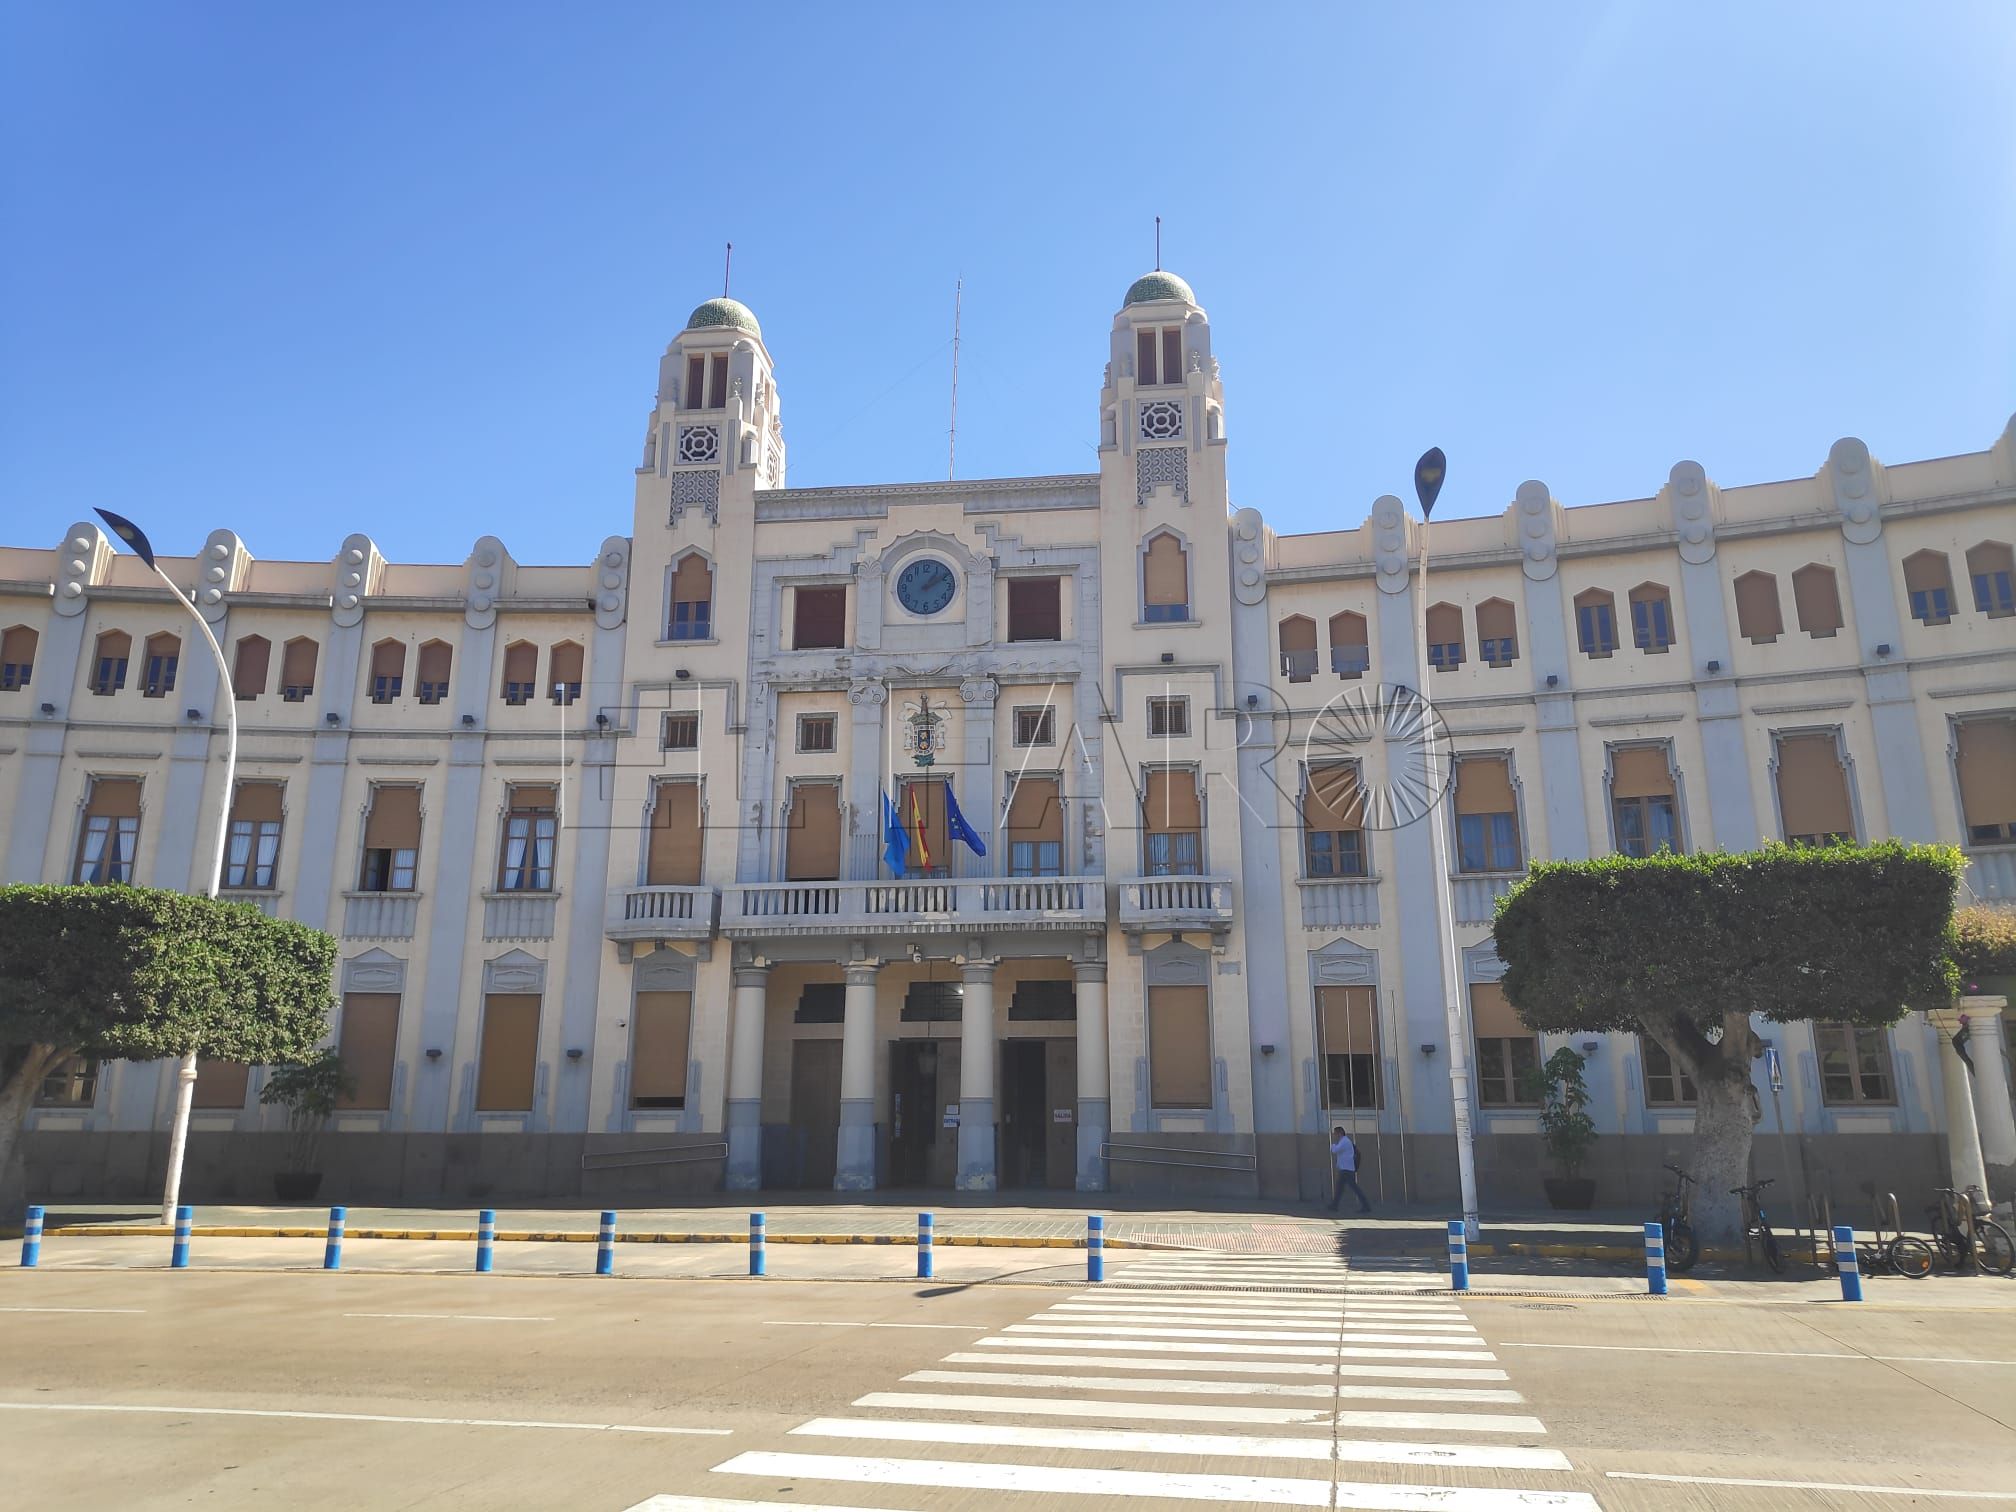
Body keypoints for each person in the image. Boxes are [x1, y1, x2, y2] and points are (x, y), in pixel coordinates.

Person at [1328, 1126, 1371, 1214]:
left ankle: (1366, 1206)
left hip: (1346, 1169)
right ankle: (1334, 1205)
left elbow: (1335, 1150)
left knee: (1353, 1188)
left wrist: (1332, 1145)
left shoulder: (1344, 1141)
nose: (1334, 1136)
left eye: (1335, 1133)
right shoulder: (1344, 1141)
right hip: (1346, 1168)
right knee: (1340, 1188)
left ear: (1340, 1133)